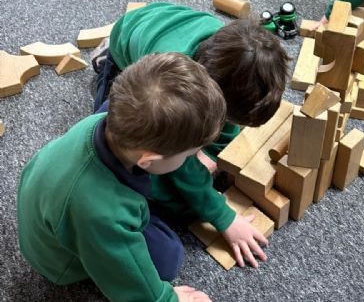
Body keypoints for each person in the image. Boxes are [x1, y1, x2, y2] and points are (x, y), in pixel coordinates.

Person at [17, 53, 230, 302]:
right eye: (190, 155)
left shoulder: (107, 119)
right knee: (168, 258)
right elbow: (135, 290)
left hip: (56, 203)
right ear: (148, 159)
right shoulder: (104, 215)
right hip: (60, 260)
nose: (193, 158)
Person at [92, 1, 290, 267]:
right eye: (226, 118)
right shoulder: (170, 87)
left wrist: (212, 156)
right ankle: (105, 63)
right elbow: (179, 163)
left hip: (164, 25)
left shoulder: (227, 53)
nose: (227, 125)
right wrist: (223, 217)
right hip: (128, 43)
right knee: (122, 136)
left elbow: (224, 127)